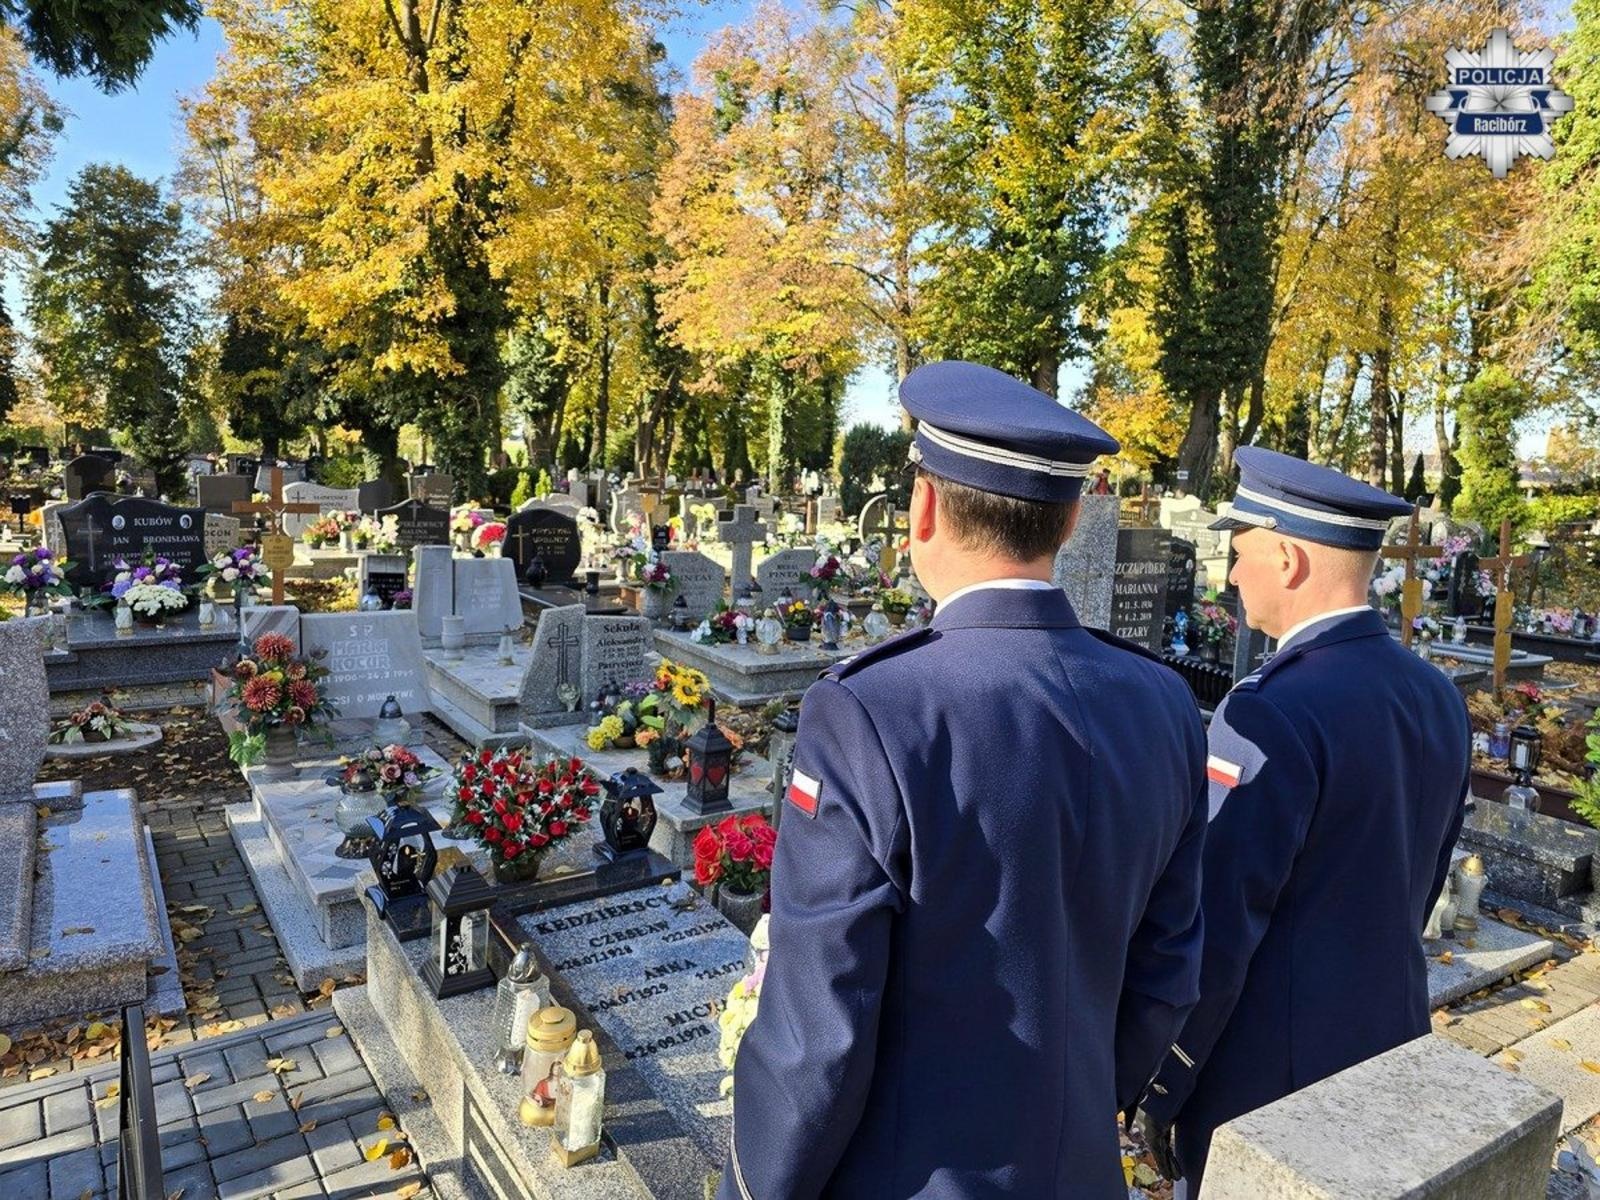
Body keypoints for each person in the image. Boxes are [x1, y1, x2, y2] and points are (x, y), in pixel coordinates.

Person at [718, 360, 1210, 1199]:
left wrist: (750, 1187)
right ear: (1070, 521)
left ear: (925, 508)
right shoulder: (1163, 699)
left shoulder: (873, 708)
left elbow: (819, 1032)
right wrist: (1079, 1101)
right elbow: (1169, 970)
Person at [1136, 447, 1471, 1196]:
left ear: (1287, 558)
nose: (1229, 575)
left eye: (1239, 551)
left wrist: (1165, 1081)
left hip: (1268, 1074)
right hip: (1387, 1034)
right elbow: (1419, 883)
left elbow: (1216, 925)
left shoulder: (1270, 709)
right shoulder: (1434, 693)